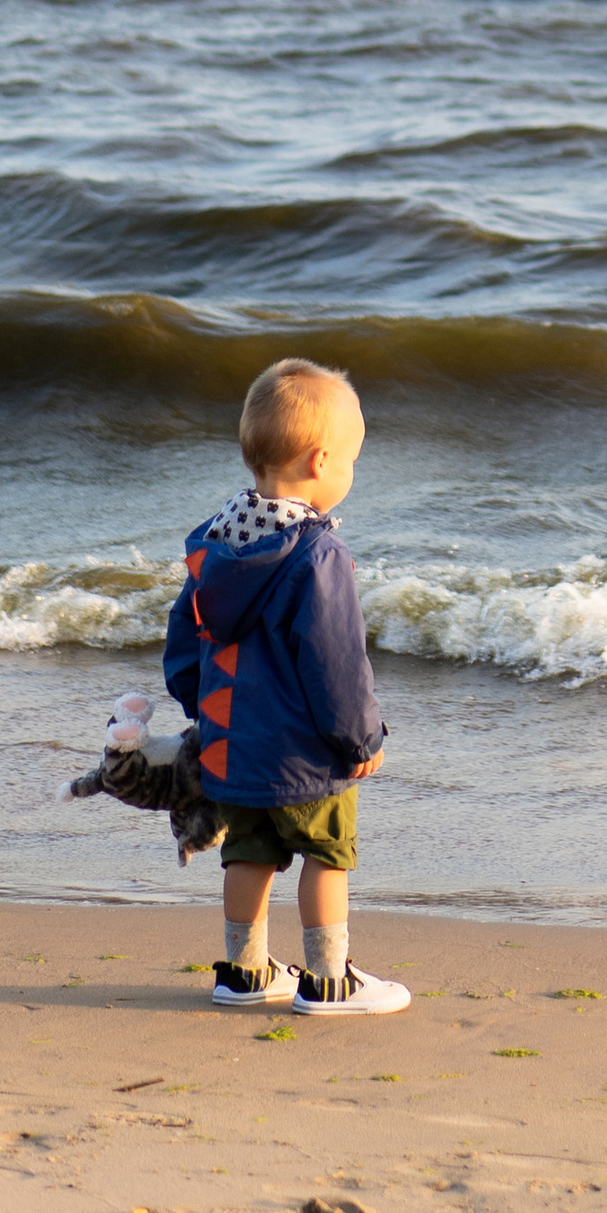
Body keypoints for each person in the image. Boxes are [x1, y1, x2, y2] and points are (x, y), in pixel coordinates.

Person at [161, 356, 410, 1013]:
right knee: (327, 855)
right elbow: (336, 663)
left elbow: (184, 640)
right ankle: (328, 980)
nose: (353, 473)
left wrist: (202, 709)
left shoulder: (216, 545)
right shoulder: (317, 556)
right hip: (303, 752)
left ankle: (244, 973)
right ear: (321, 461)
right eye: (353, 459)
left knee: (248, 853)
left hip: (233, 746)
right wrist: (361, 738)